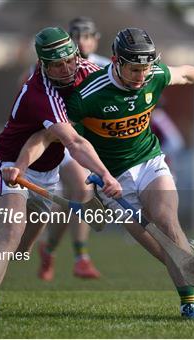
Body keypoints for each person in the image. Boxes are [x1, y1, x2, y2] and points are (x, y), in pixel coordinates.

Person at [4, 27, 194, 320]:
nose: (142, 76)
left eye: (146, 68)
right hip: (113, 180)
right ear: (116, 61)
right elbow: (44, 138)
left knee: (167, 223)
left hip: (150, 162)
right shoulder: (86, 95)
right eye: (134, 69)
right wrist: (21, 166)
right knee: (160, 249)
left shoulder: (154, 75)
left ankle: (189, 304)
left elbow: (184, 74)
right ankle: (191, 255)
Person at [0, 27, 121, 317]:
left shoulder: (87, 70)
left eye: (69, 61)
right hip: (10, 166)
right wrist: (106, 174)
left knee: (21, 248)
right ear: (42, 64)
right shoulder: (39, 92)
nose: (65, 69)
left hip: (47, 173)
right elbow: (74, 142)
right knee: (11, 231)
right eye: (56, 64)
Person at [37, 17, 112, 281]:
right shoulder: (47, 68)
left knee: (71, 202)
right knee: (81, 189)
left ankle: (49, 248)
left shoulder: (105, 67)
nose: (81, 41)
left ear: (96, 39)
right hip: (60, 141)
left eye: (87, 36)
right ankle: (81, 258)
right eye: (75, 36)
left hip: (90, 143)